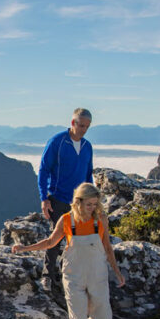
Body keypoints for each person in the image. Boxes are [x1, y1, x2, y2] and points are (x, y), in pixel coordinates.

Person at [12, 182, 125, 319]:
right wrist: (24, 248)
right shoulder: (66, 220)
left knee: (104, 317)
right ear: (78, 202)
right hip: (73, 275)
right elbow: (50, 243)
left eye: (95, 204)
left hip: (97, 274)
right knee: (77, 318)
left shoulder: (101, 219)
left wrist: (117, 273)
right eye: (89, 204)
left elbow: (107, 247)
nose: (93, 208)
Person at [38, 108, 95, 287]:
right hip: (58, 198)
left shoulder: (87, 147)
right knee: (56, 237)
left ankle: (68, 272)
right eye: (81, 125)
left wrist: (91, 200)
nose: (83, 130)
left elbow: (88, 174)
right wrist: (44, 198)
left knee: (77, 239)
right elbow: (43, 170)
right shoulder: (57, 142)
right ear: (72, 123)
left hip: (79, 201)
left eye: (87, 127)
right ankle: (47, 274)